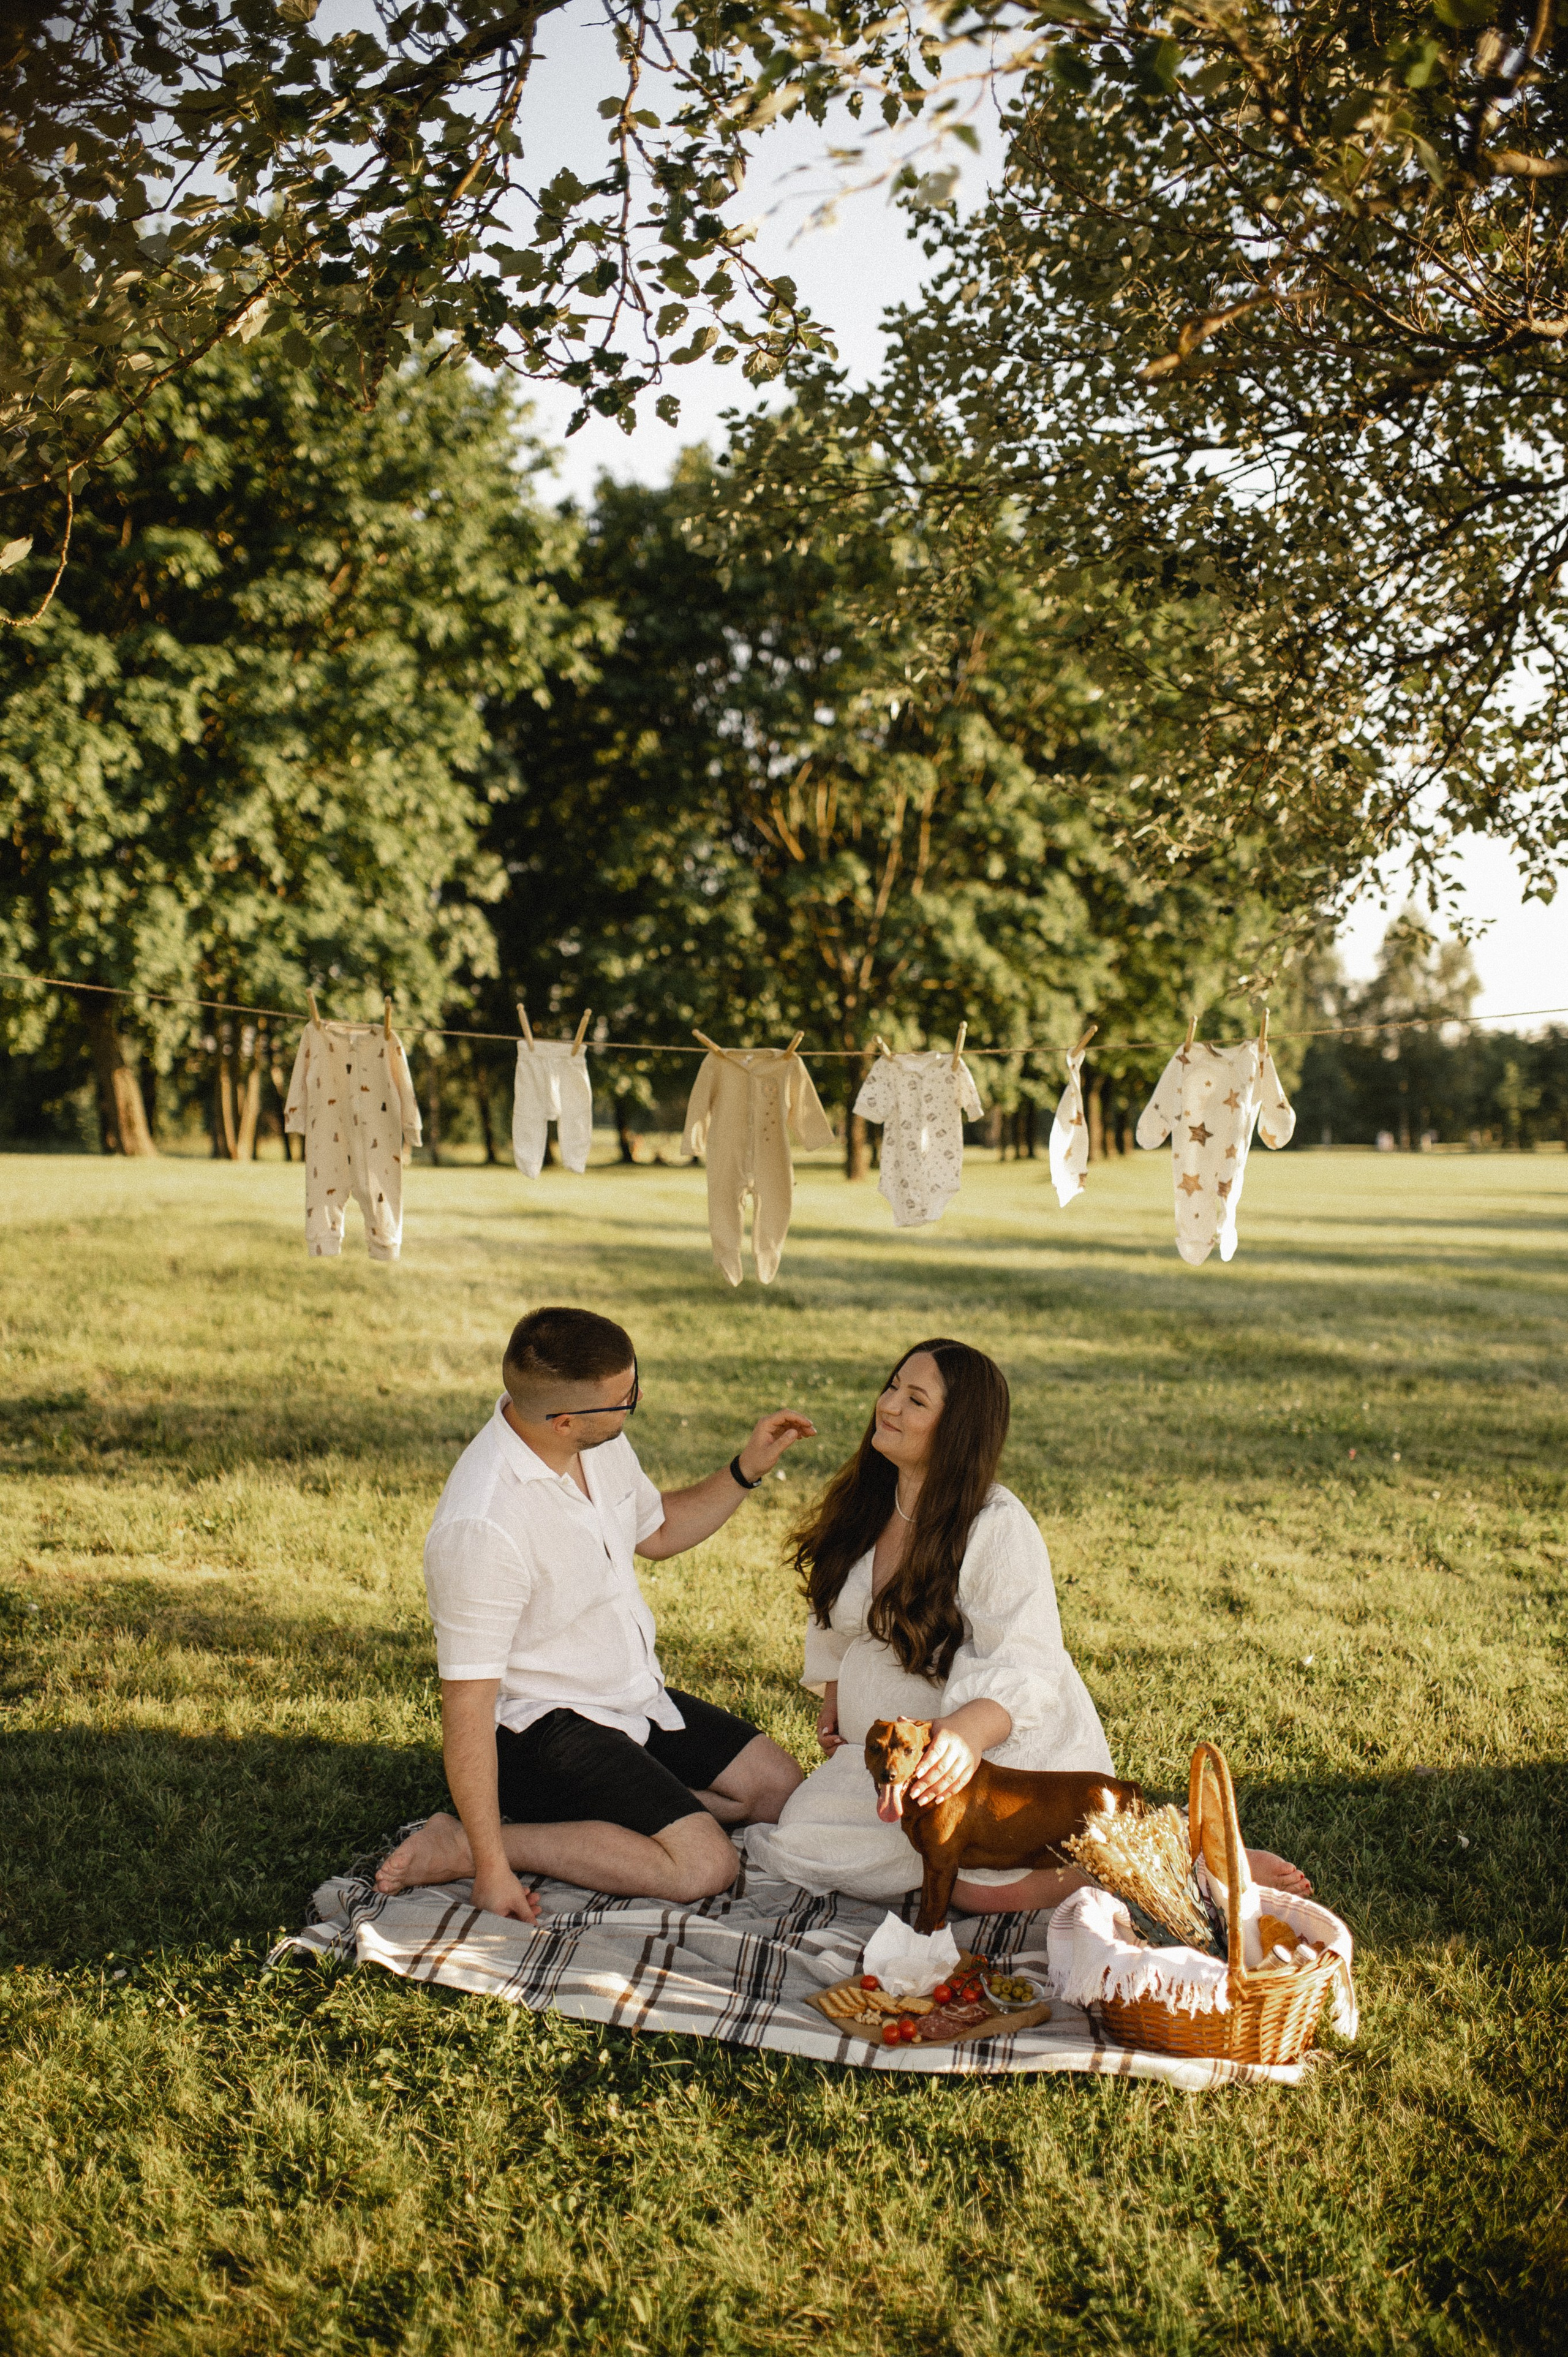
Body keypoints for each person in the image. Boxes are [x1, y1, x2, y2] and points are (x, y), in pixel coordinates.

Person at [744, 1338, 1311, 1913]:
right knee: (803, 1837)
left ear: (957, 1429)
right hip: (902, 1764)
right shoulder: (868, 1499)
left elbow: (1024, 1657)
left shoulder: (996, 1525)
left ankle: (1181, 1856)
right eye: (893, 1386)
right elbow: (834, 1609)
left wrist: (965, 1734)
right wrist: (837, 1691)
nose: (887, 1406)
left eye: (915, 1401)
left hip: (993, 1746)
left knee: (975, 1885)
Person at [376, 1305, 813, 1923]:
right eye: (625, 1399)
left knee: (778, 1790)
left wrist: (745, 1470)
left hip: (630, 1695)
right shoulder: (484, 1524)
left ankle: (627, 1813)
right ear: (563, 1420)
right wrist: (492, 1866)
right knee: (703, 1866)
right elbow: (467, 1706)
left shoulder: (598, 1441)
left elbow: (655, 1530)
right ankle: (467, 1845)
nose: (635, 1402)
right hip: (542, 1726)